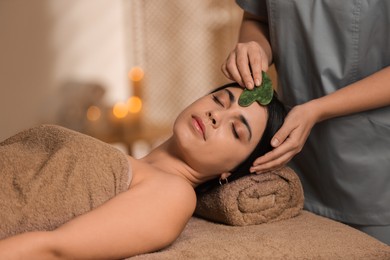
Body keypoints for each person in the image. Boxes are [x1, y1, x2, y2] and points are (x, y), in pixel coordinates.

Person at [0, 82, 286, 259]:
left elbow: (55, 249)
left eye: (235, 130)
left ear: (231, 172)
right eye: (219, 100)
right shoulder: (125, 163)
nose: (215, 115)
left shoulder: (174, 194)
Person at [221, 0, 390, 244]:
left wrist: (318, 109)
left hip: (371, 171)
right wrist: (255, 50)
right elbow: (257, 19)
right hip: (291, 166)